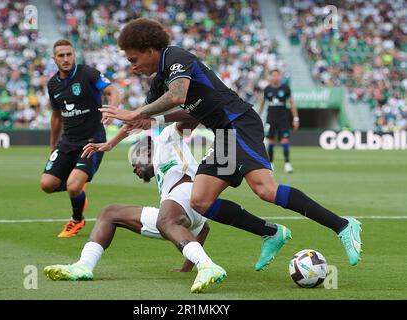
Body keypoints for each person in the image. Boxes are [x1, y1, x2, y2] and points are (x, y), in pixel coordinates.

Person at [103, 18, 362, 267]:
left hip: (240, 122)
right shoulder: (159, 80)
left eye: (133, 59)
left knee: (265, 189)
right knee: (200, 201)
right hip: (225, 134)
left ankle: (342, 225)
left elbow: (178, 95)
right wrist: (110, 144)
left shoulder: (177, 57)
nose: (133, 66)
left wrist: (141, 113)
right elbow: (142, 119)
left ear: (150, 50)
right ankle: (271, 232)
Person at [44, 120, 227, 293]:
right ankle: (83, 266)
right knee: (110, 213)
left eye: (135, 159)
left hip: (187, 194)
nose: (135, 168)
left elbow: (189, 117)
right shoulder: (165, 175)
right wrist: (186, 268)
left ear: (148, 150)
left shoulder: (165, 139)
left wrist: (158, 115)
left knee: (166, 219)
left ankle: (207, 265)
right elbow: (204, 228)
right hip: (192, 214)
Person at [40, 39, 120, 237]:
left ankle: (76, 220)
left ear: (74, 55)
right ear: (54, 59)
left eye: (69, 54)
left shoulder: (87, 73)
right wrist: (53, 144)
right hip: (67, 141)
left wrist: (112, 110)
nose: (66, 59)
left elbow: (113, 92)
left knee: (73, 185)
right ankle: (77, 189)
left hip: (92, 140)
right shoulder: (53, 84)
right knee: (47, 185)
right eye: (61, 56)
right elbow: (56, 115)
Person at [258, 69, 299, 173]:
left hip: (283, 118)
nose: (275, 77)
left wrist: (295, 118)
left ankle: (287, 164)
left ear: (280, 76)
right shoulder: (267, 89)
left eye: (277, 75)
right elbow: (262, 104)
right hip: (271, 118)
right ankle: (271, 163)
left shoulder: (285, 88)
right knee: (270, 141)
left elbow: (292, 103)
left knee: (284, 140)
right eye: (274, 75)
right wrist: (257, 117)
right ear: (271, 77)